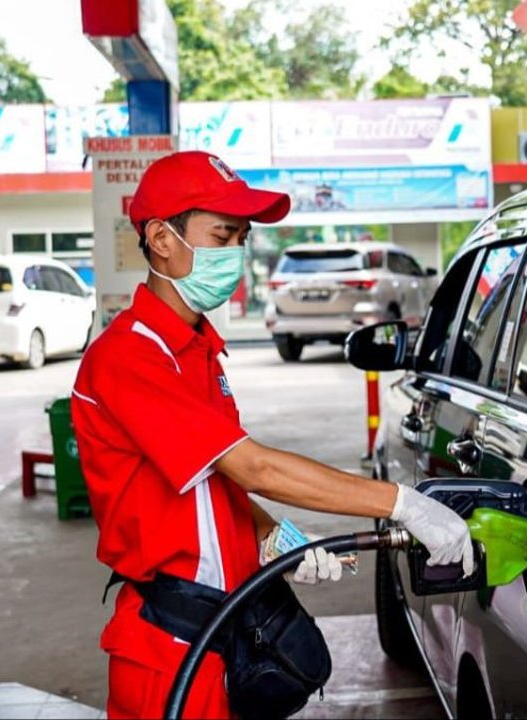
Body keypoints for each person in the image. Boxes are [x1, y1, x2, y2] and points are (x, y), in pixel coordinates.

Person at [70, 150, 474, 720]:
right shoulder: (131, 355)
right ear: (162, 238)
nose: (237, 252)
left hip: (223, 627)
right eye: (222, 234)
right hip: (170, 647)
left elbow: (208, 482)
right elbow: (251, 466)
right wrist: (402, 504)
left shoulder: (198, 350)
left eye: (242, 236)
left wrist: (272, 537)